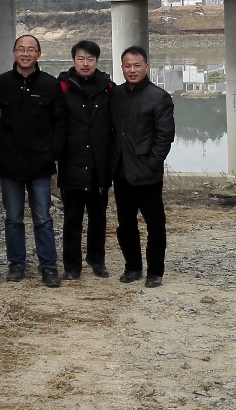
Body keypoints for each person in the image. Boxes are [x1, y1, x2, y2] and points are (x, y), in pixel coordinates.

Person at [0, 34, 67, 287]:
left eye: (31, 49)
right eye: (21, 49)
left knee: (43, 218)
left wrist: (53, 153)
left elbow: (61, 122)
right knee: (13, 218)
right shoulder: (1, 83)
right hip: (9, 163)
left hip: (40, 164)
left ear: (39, 54)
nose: (25, 54)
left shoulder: (50, 84)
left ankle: (49, 266)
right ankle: (16, 264)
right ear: (14, 53)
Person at [110, 45, 174, 288]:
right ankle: (133, 267)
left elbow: (164, 137)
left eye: (137, 65)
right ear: (122, 68)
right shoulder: (116, 94)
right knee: (126, 224)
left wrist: (153, 163)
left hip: (148, 173)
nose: (132, 70)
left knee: (155, 225)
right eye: (127, 66)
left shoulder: (159, 97)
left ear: (146, 66)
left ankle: (155, 271)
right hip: (122, 171)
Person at [56, 40, 115, 280]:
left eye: (90, 59)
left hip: (99, 165)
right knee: (72, 219)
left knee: (98, 217)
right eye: (81, 58)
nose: (85, 63)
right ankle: (72, 266)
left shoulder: (109, 88)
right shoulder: (62, 87)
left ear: (97, 61)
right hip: (72, 163)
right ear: (73, 60)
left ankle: (96, 259)